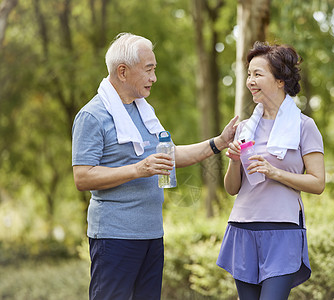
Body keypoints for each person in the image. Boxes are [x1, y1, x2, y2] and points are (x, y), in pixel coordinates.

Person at [71, 32, 238, 300]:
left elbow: (169, 156)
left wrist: (218, 142)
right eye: (149, 70)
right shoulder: (92, 115)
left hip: (151, 235)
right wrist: (139, 169)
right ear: (123, 72)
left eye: (155, 69)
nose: (154, 78)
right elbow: (82, 177)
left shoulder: (143, 111)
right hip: (114, 238)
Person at [216, 41, 325, 300]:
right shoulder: (244, 129)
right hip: (243, 228)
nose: (250, 81)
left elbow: (318, 183)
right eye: (249, 74)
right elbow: (232, 189)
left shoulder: (304, 126)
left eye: (258, 74)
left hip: (283, 230)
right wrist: (233, 161)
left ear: (280, 81)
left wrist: (274, 172)